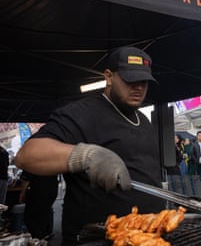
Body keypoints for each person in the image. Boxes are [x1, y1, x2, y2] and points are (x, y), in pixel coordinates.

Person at [15, 47, 165, 245]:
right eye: (130, 79)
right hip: (97, 239)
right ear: (109, 77)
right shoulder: (82, 113)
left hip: (147, 236)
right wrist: (86, 155)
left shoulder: (143, 120)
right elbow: (27, 155)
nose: (139, 87)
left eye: (144, 82)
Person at [19, 171, 59, 239]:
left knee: (30, 218)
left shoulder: (31, 160)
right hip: (52, 188)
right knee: (42, 215)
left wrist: (22, 193)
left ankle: (38, 239)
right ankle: (43, 236)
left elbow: (27, 177)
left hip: (39, 189)